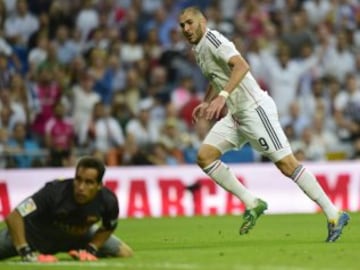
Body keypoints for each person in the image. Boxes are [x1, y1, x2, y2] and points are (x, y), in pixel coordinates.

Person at [178, 6, 349, 242]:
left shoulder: (213, 39)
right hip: (237, 115)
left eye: (189, 23)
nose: (186, 29)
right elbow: (217, 76)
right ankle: (252, 202)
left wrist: (222, 97)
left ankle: (334, 213)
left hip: (255, 110)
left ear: (202, 22)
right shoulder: (198, 48)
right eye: (182, 25)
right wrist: (207, 100)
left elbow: (241, 65)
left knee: (288, 165)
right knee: (205, 157)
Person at [0, 156, 133, 262]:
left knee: (125, 252)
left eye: (89, 182)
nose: (81, 187)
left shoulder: (108, 200)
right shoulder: (54, 192)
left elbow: (108, 226)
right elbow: (15, 216)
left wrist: (91, 248)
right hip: (33, 236)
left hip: (77, 238)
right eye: (78, 180)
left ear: (99, 186)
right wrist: (25, 251)